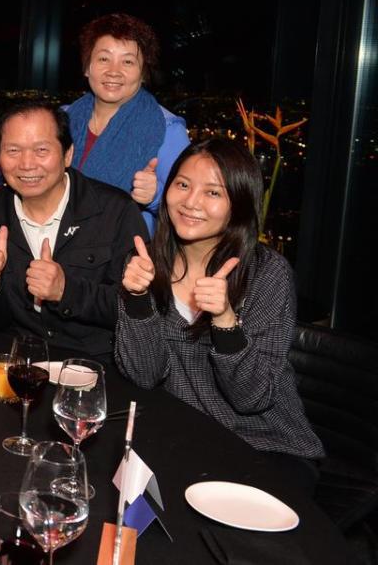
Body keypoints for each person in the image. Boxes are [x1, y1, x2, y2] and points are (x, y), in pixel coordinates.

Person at [116, 138, 324, 491]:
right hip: (186, 440)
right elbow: (145, 376)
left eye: (213, 193)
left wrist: (226, 321)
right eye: (183, 185)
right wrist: (137, 299)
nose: (191, 202)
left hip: (265, 447)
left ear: (238, 204)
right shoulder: (145, 264)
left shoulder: (266, 274)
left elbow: (252, 398)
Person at [0, 101, 146, 356]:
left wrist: (66, 291)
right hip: (21, 359)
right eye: (13, 150)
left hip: (95, 362)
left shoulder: (115, 211)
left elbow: (136, 312)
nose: (26, 164)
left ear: (68, 154)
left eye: (41, 150)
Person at [62, 13, 189, 233]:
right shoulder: (63, 119)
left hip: (128, 250)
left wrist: (155, 195)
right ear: (87, 67)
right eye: (104, 59)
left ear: (143, 73)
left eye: (128, 61)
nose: (114, 71)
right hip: (57, 243)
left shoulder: (168, 130)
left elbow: (190, 203)